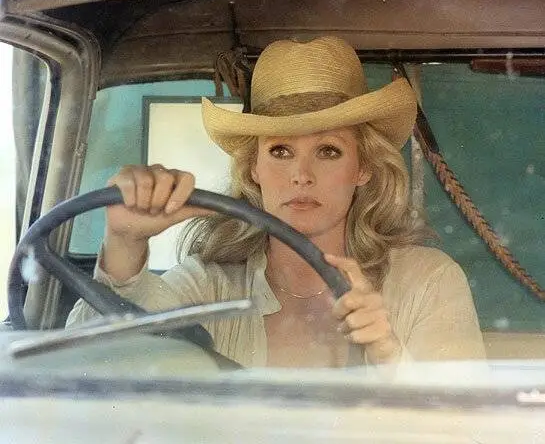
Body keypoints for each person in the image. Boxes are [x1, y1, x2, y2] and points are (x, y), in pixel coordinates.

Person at [67, 36, 486, 368]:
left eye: (328, 151)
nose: (301, 174)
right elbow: (95, 371)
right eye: (281, 151)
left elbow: (468, 429)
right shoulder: (212, 285)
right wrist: (124, 244)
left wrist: (388, 353)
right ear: (253, 169)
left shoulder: (426, 281)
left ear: (363, 168)